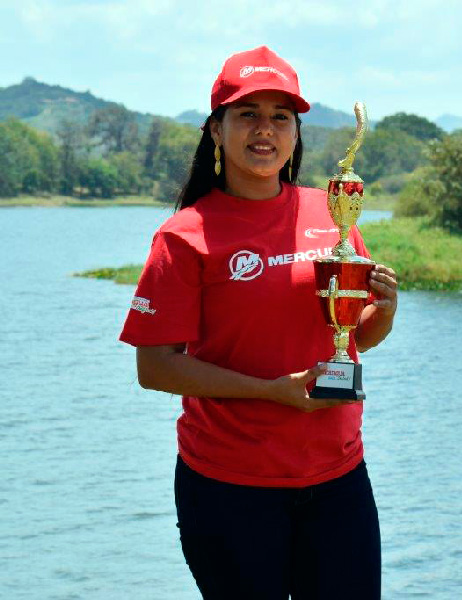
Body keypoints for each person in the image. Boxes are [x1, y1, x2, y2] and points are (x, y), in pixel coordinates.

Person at [119, 46, 397, 599]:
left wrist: (382, 312)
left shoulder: (330, 213)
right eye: (247, 114)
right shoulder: (185, 235)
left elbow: (352, 336)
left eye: (280, 116)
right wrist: (273, 393)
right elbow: (155, 367)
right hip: (229, 487)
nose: (264, 129)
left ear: (296, 134)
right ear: (216, 131)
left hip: (338, 478)